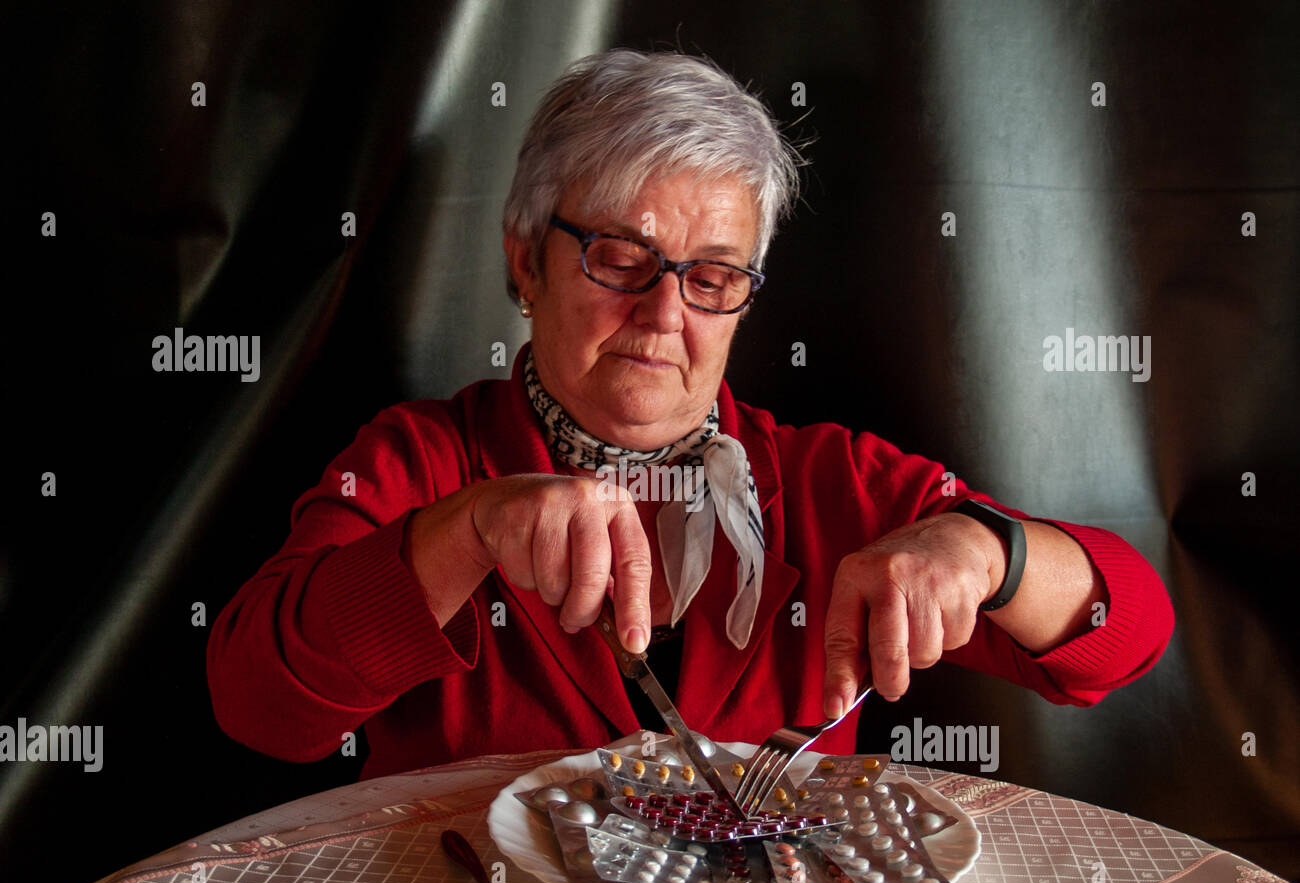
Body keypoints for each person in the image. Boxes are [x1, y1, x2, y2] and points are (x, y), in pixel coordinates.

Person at [207, 49, 1174, 780]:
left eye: (712, 277)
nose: (665, 314)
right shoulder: (418, 460)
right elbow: (258, 706)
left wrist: (989, 554)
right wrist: (467, 531)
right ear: (523, 260)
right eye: (622, 260)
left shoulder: (830, 481)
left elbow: (1128, 636)